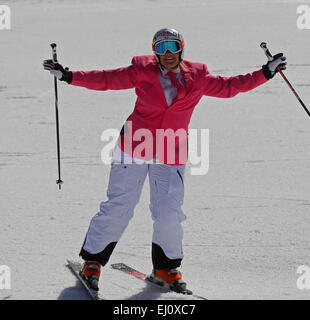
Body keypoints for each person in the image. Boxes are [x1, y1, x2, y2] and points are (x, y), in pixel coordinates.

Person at [43, 28, 286, 292]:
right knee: (119, 206)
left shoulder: (199, 74)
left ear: (181, 47)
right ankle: (93, 261)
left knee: (169, 212)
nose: (168, 54)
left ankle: (165, 268)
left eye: (172, 47)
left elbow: (229, 87)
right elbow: (107, 79)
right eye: (161, 48)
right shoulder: (141, 69)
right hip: (133, 147)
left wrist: (266, 72)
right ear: (154, 52)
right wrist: (69, 76)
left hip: (171, 152)